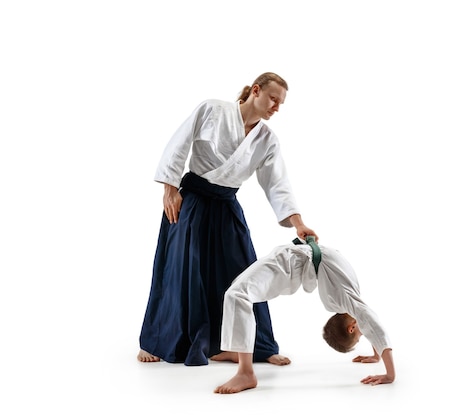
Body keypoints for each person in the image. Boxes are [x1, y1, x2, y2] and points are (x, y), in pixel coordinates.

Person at [137, 72, 318, 366]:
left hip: (226, 204)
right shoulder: (213, 109)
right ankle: (158, 341)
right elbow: (179, 143)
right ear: (256, 91)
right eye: (274, 99)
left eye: (281, 103)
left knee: (244, 272)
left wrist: (298, 223)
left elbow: (277, 183)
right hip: (192, 200)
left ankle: (254, 346)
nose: (277, 107)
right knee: (182, 269)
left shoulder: (267, 139)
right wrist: (170, 190)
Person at [213, 237, 395, 394]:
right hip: (291, 262)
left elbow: (367, 323)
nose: (363, 334)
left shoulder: (349, 297)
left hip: (292, 259)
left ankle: (243, 365)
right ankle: (244, 370)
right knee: (238, 293)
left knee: (237, 293)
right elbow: (371, 324)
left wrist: (376, 354)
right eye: (359, 336)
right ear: (351, 327)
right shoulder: (345, 298)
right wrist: (390, 374)